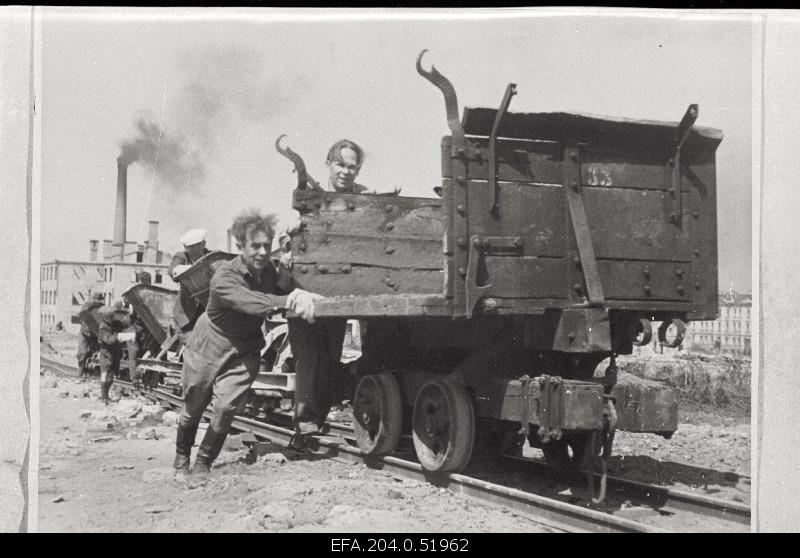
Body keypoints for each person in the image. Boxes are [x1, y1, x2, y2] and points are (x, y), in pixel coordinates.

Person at [173, 210, 319, 475]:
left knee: (226, 408)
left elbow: (291, 279)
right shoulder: (224, 276)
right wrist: (289, 300)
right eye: (255, 246)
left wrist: (295, 255)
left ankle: (203, 463)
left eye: (267, 245)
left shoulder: (271, 273)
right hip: (209, 343)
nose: (262, 252)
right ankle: (181, 459)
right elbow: (249, 302)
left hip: (245, 348)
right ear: (240, 246)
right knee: (193, 407)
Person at [169, 229, 211, 345]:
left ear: (204, 243)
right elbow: (173, 271)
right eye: (192, 246)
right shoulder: (181, 257)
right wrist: (191, 269)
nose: (196, 249)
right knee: (192, 345)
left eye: (198, 245)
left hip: (206, 312)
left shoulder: (211, 257)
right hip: (185, 313)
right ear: (185, 247)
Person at [97, 305, 134, 405]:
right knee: (105, 375)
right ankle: (103, 397)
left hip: (115, 353)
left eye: (112, 316)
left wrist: (132, 315)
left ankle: (106, 396)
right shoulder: (103, 328)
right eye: (109, 316)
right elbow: (109, 340)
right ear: (103, 317)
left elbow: (125, 323)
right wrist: (123, 336)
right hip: (106, 354)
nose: (111, 318)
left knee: (111, 377)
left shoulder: (115, 323)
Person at [77, 292, 105, 380]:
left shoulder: (103, 308)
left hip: (95, 334)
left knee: (94, 354)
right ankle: (81, 371)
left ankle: (90, 372)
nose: (98, 302)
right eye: (96, 300)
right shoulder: (87, 306)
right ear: (93, 299)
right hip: (84, 333)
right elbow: (81, 316)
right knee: (82, 352)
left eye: (99, 301)